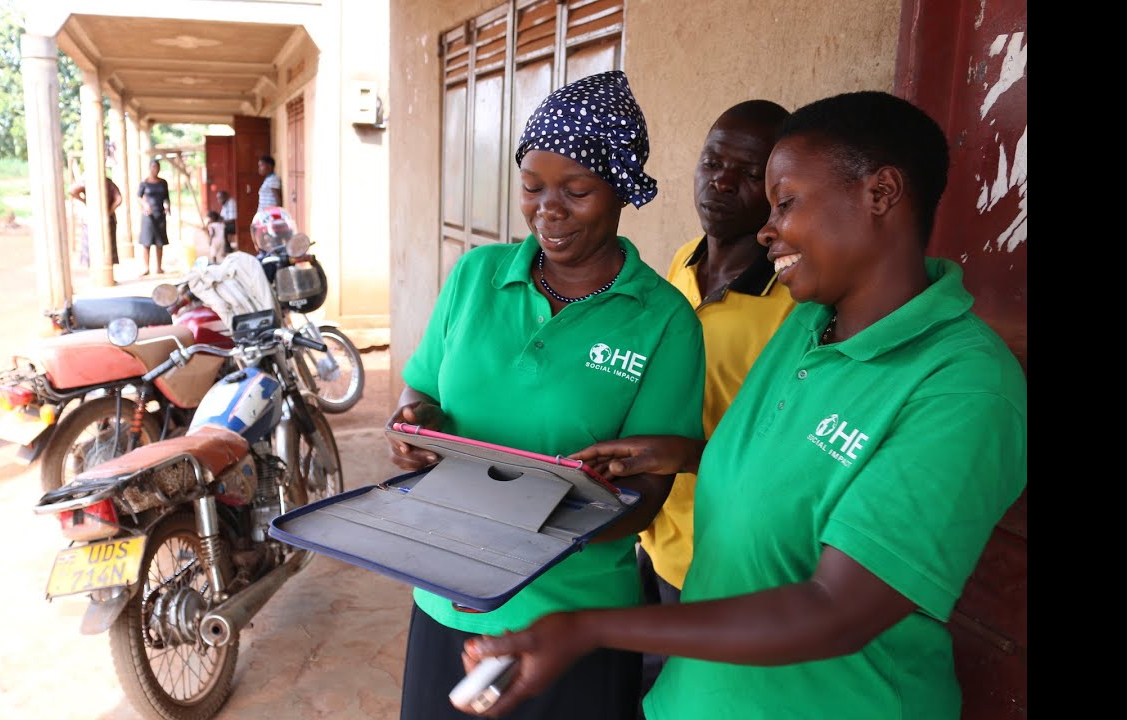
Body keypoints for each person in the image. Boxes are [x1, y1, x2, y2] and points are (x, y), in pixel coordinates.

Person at [460, 90, 1028, 720]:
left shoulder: (964, 387)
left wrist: (589, 628)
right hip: (697, 698)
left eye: (785, 202)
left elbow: (833, 611)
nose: (766, 227)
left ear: (881, 192)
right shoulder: (809, 325)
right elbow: (800, 474)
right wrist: (692, 455)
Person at [386, 70, 706, 720]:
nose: (547, 211)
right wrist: (412, 427)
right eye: (532, 188)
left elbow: (645, 503)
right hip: (447, 594)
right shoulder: (476, 277)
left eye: (577, 190)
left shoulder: (662, 320)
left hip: (574, 617)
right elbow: (419, 399)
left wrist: (531, 521)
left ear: (618, 188)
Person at [633, 99, 795, 701]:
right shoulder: (683, 261)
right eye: (712, 161)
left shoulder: (795, 306)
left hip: (718, 557)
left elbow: (782, 445)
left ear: (778, 190)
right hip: (651, 529)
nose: (721, 181)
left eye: (748, 173)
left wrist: (683, 452)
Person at [69, 175, 123, 266]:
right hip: (102, 219)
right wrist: (109, 211)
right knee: (107, 247)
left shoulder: (91, 182)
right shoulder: (105, 182)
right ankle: (105, 272)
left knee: (93, 247)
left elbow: (72, 191)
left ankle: (98, 273)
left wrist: (85, 201)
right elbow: (119, 199)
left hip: (95, 220)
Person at [137, 159, 171, 275]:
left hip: (160, 214)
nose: (155, 169)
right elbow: (138, 197)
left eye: (157, 167)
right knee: (146, 242)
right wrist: (145, 205)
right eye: (153, 167)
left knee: (160, 242)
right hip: (148, 216)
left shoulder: (163, 183)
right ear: (149, 168)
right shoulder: (144, 183)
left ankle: (159, 267)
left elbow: (166, 197)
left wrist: (167, 206)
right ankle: (146, 268)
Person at [253, 155, 282, 252]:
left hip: (269, 215)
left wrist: (277, 215)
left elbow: (277, 198)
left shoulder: (273, 179)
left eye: (261, 165)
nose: (259, 168)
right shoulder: (268, 179)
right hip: (263, 215)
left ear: (269, 166)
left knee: (268, 239)